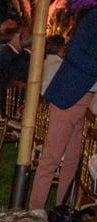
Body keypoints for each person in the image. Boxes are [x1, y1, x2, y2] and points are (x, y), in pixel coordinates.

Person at [29, 0, 97, 211]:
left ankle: (62, 211)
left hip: (87, 99)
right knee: (52, 157)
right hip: (69, 94)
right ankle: (35, 211)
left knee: (73, 160)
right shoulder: (93, 18)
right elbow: (74, 53)